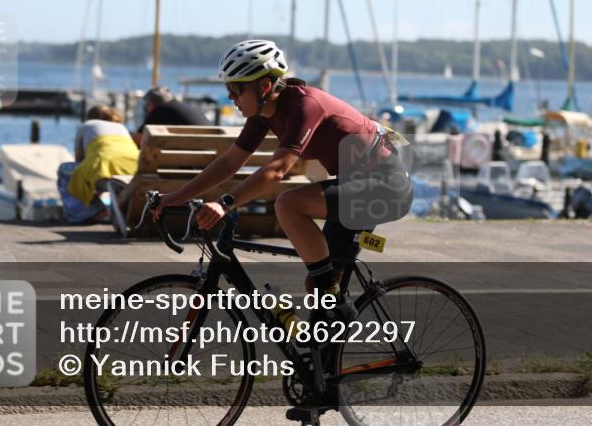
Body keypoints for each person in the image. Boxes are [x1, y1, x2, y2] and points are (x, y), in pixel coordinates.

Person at [154, 38, 412, 309]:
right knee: (318, 285)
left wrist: (224, 204)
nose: (231, 97)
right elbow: (230, 162)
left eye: (236, 89)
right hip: (355, 184)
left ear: (264, 86)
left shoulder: (305, 105)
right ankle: (326, 341)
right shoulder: (263, 113)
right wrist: (178, 196)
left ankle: (337, 313)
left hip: (387, 186)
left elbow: (277, 170)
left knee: (289, 204)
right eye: (228, 88)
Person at [58, 105, 139, 224]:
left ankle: (83, 213)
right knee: (95, 169)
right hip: (132, 170)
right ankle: (102, 209)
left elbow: (79, 159)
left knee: (64, 170)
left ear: (89, 117)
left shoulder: (86, 125)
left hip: (104, 168)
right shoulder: (121, 127)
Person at [131, 86, 204, 146]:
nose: (146, 109)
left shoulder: (160, 110)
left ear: (151, 104)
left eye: (147, 105)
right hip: (208, 158)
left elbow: (135, 141)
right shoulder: (191, 109)